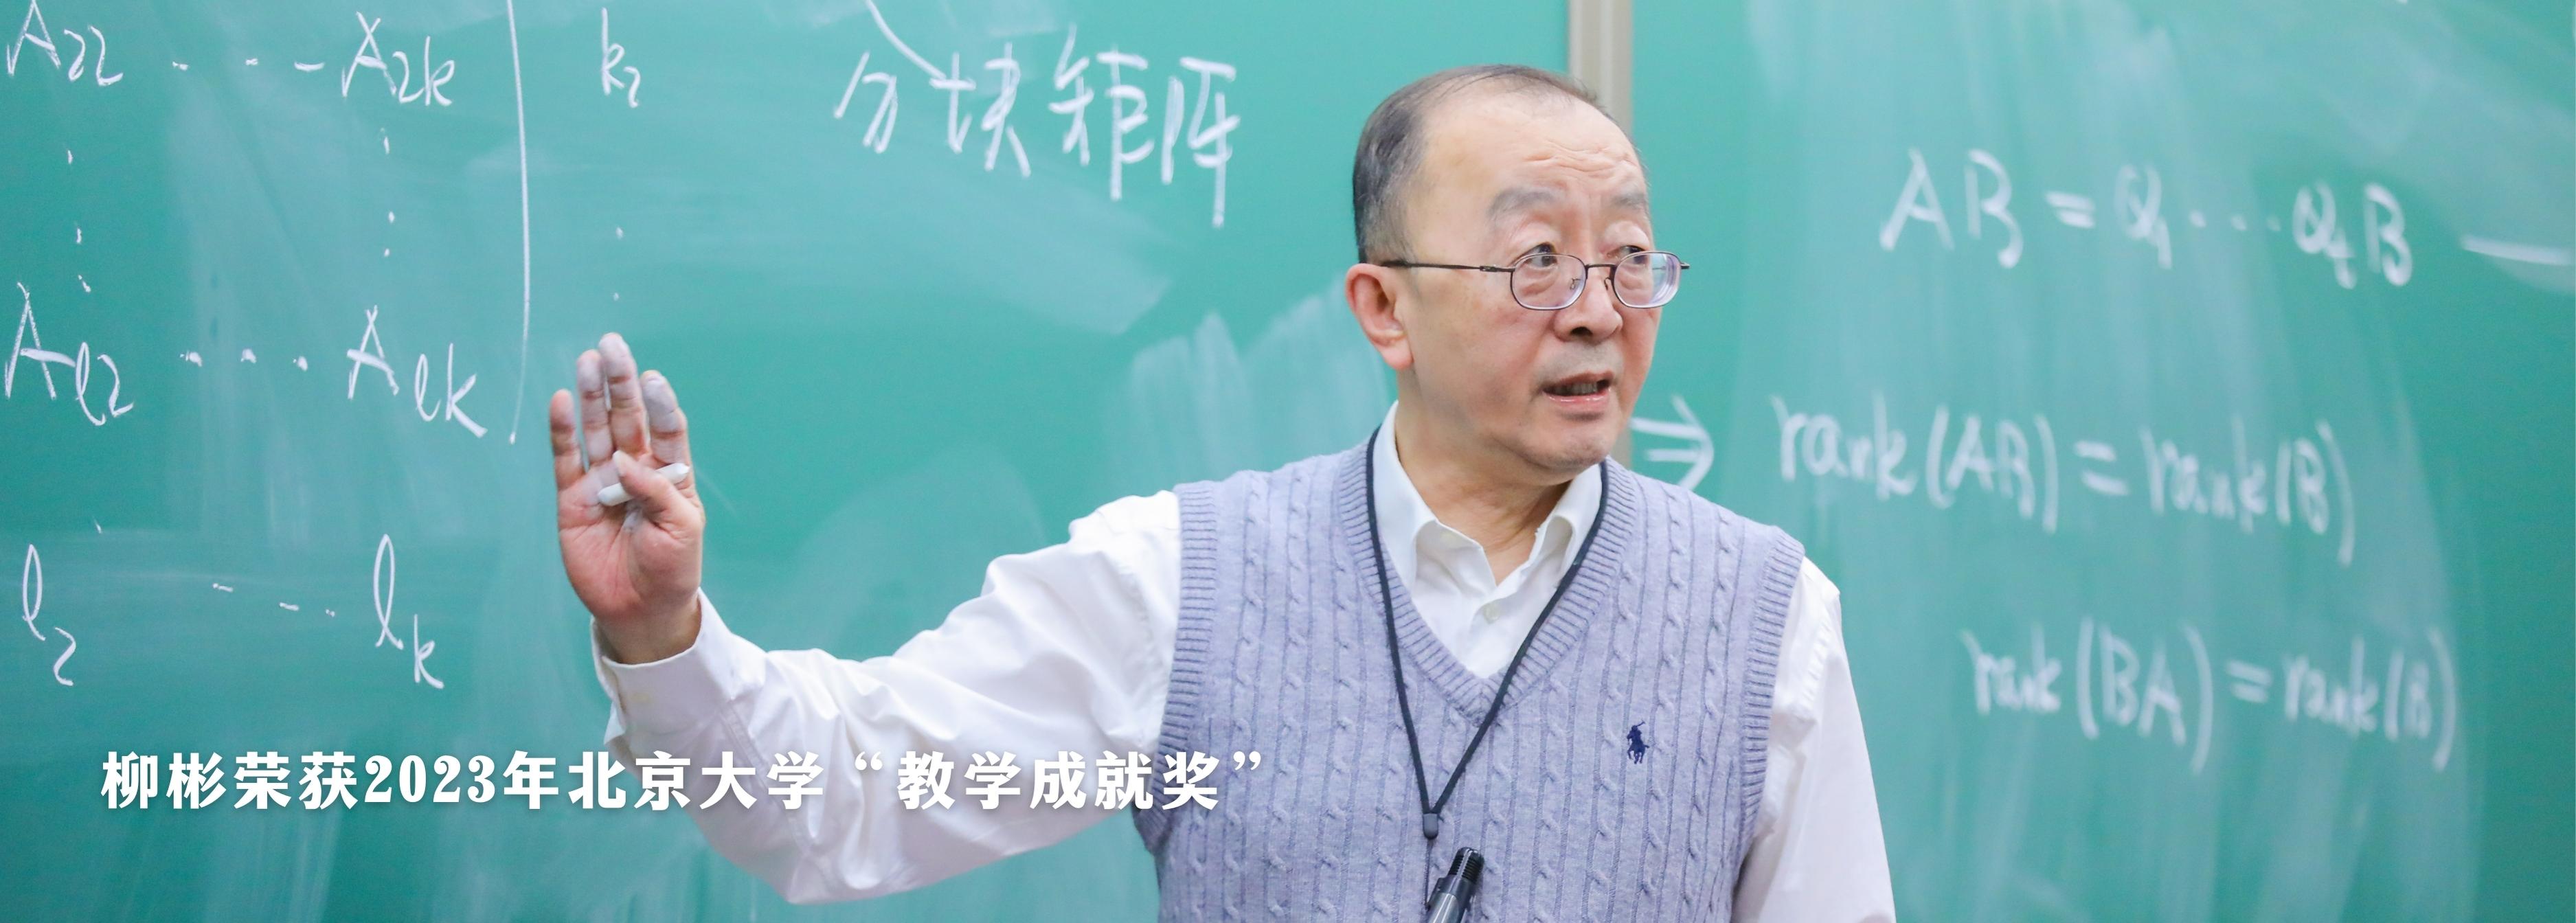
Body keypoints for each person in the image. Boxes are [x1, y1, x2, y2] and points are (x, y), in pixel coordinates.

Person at [548, 64, 1895, 920]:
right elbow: (841, 795)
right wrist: (663, 635)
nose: (1598, 309)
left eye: (1632, 259)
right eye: (1537, 259)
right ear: (1383, 310)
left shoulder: (1764, 616)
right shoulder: (1186, 581)